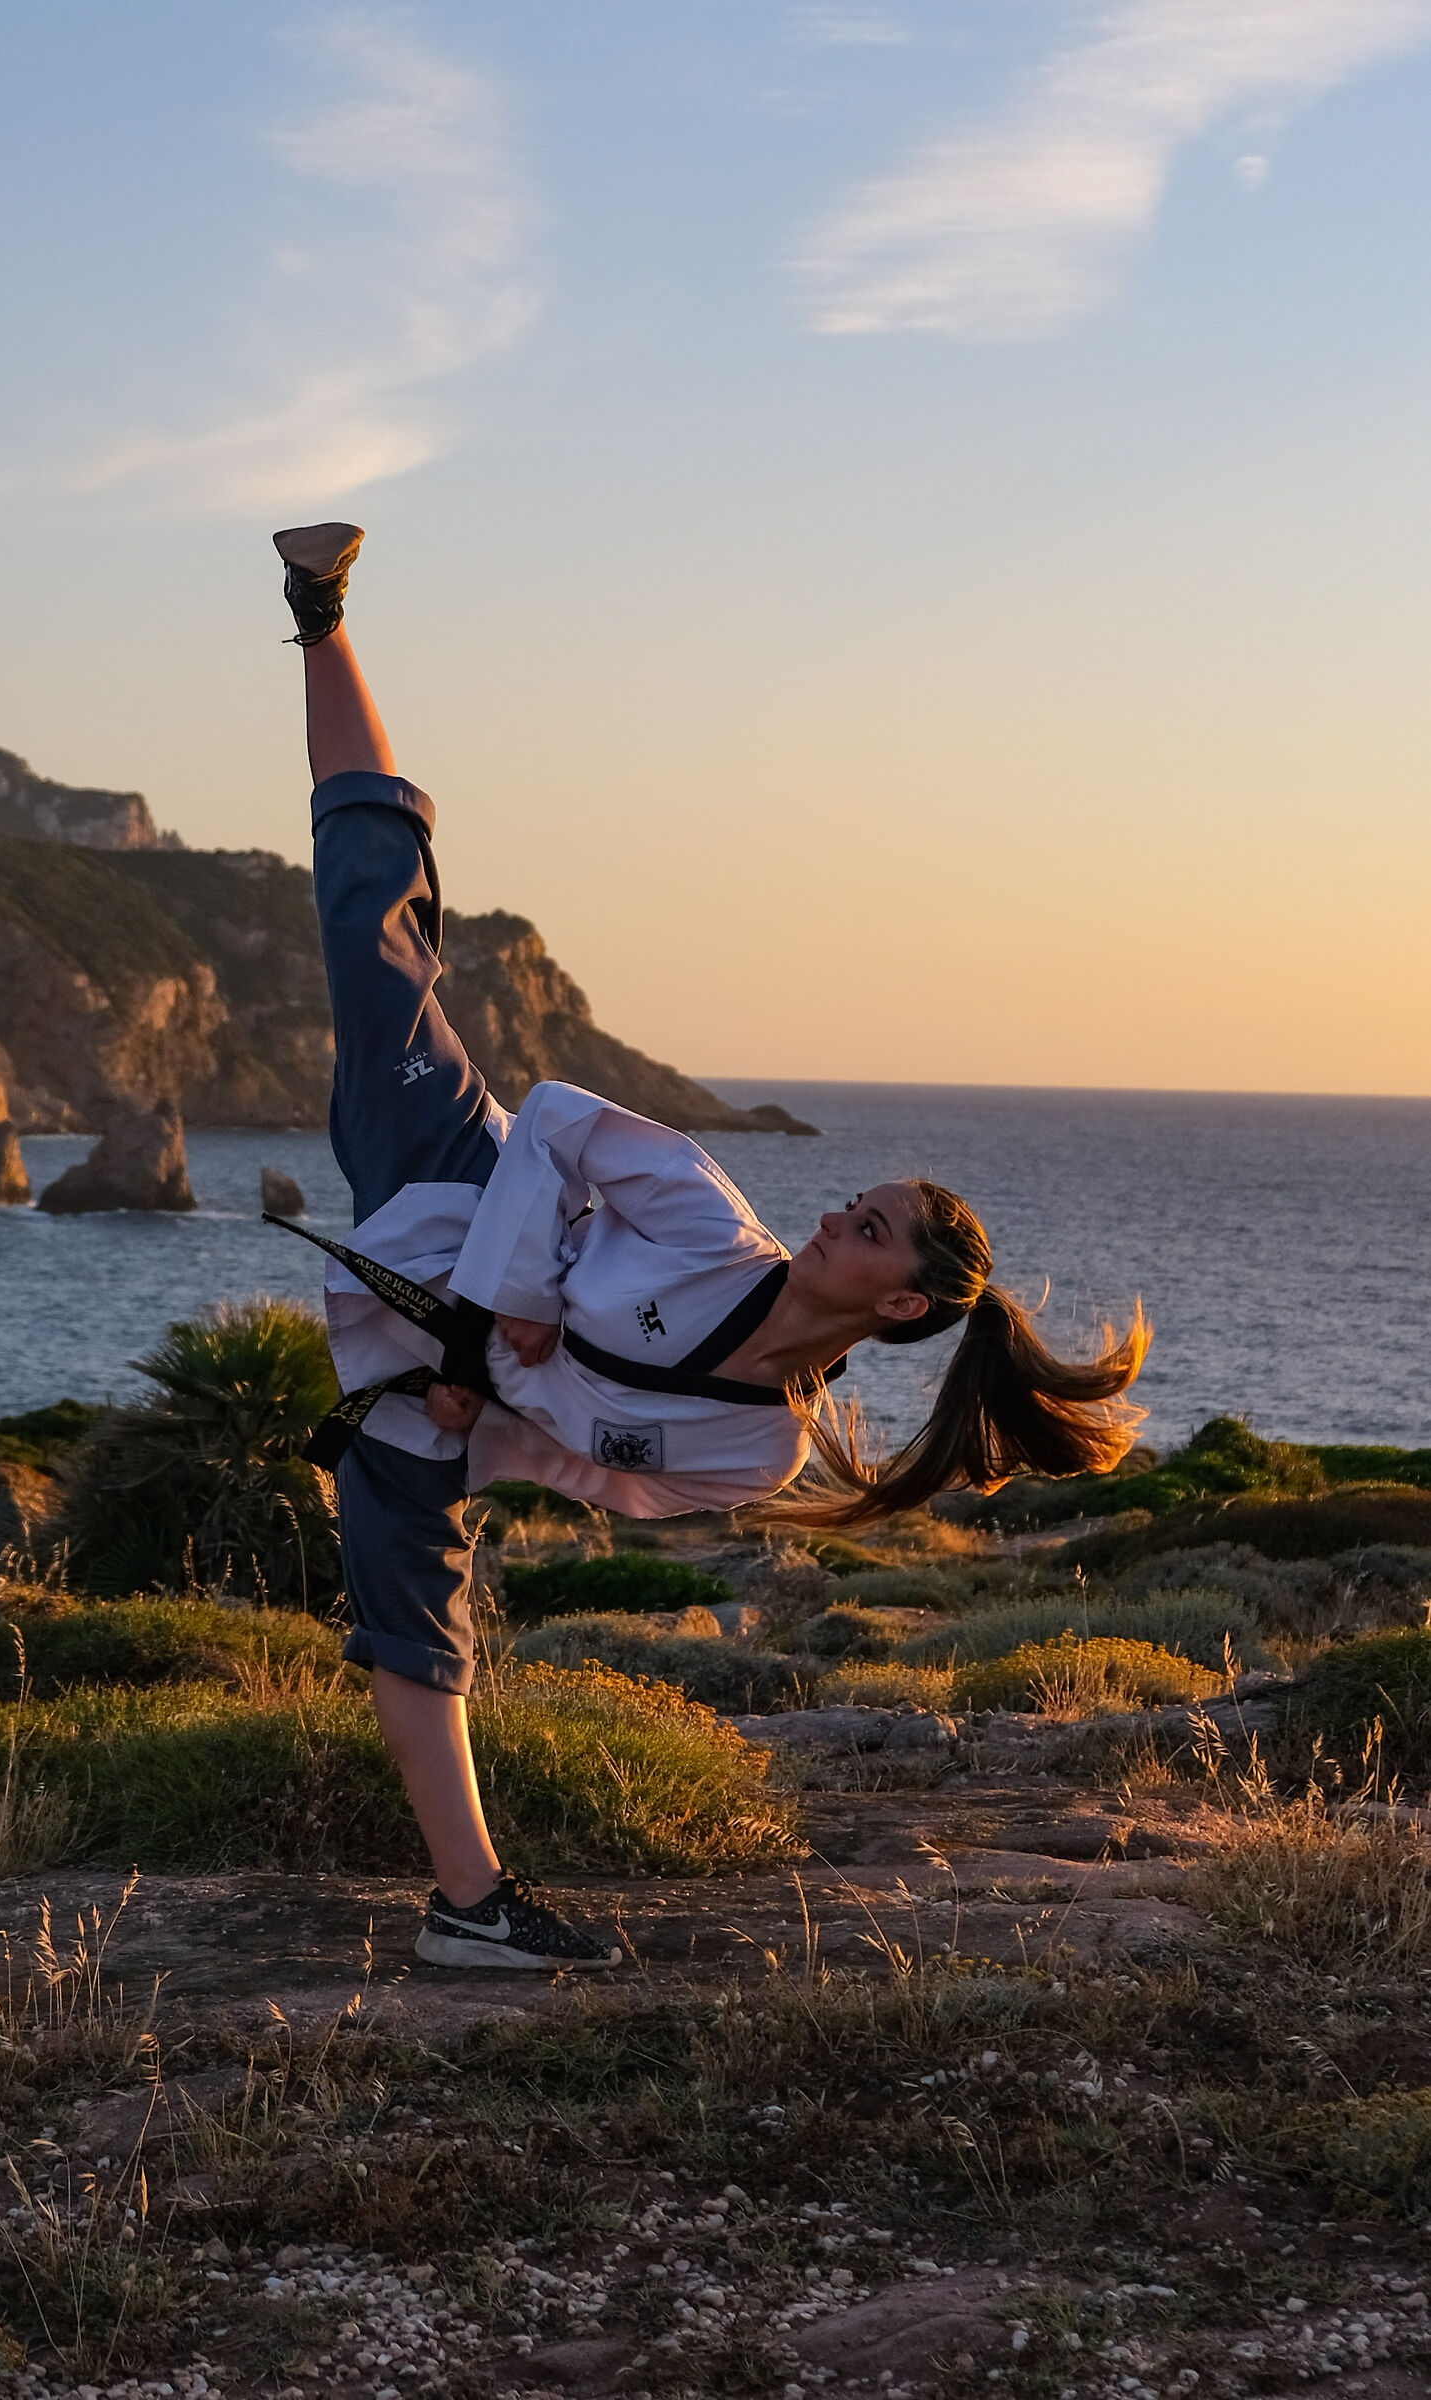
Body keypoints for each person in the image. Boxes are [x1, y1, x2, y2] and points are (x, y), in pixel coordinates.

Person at [274, 520, 1149, 1972]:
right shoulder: (700, 1209)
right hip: (449, 1185)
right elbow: (549, 1119)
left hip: (432, 1389)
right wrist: (514, 1300)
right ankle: (320, 609)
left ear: (900, 1306)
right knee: (374, 920)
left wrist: (480, 1383)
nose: (834, 1218)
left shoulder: (761, 1454)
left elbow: (598, 1465)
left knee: (413, 1617)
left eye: (866, 1229)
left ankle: (468, 1912)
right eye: (851, 1201)